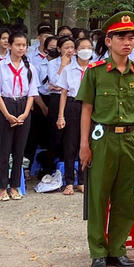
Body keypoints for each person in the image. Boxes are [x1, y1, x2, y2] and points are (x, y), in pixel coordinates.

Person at [78, 14, 134, 267]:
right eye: (121, 37)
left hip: (129, 139)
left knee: (125, 197)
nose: (128, 42)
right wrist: (84, 145)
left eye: (131, 37)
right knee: (99, 195)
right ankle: (98, 251)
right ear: (109, 41)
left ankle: (117, 249)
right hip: (103, 140)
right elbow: (86, 109)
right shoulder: (95, 72)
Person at [0, 29, 35, 201]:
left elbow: (32, 93)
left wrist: (24, 114)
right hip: (6, 105)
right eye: (18, 45)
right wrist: (7, 114)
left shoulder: (29, 67)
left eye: (24, 45)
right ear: (9, 45)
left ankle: (15, 186)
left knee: (19, 150)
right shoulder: (0, 66)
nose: (21, 48)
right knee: (4, 149)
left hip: (23, 106)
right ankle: (2, 187)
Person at [55, 36, 96, 195]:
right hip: (72, 106)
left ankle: (83, 180)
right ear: (76, 51)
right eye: (83, 48)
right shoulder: (68, 69)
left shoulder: (94, 69)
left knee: (86, 144)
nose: (86, 51)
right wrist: (61, 116)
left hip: (90, 106)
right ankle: (69, 182)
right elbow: (63, 94)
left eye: (89, 48)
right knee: (70, 144)